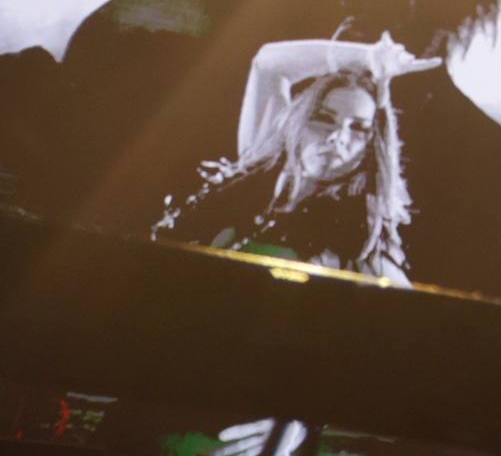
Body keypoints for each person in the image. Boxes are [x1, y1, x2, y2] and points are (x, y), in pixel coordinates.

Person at [153, 33, 441, 285]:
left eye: (357, 128)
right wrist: (368, 57)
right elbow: (269, 64)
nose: (337, 137)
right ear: (299, 123)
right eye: (324, 119)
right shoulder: (258, 162)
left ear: (370, 148)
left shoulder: (362, 246)